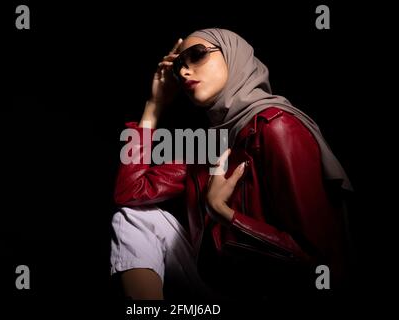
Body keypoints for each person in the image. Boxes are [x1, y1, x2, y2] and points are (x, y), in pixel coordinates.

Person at [110, 28, 353, 301]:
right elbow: (129, 190)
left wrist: (224, 214)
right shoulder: (210, 141)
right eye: (179, 66)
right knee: (136, 216)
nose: (184, 72)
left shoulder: (277, 128)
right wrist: (153, 107)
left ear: (233, 56)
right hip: (218, 284)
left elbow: (321, 263)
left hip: (277, 290)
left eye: (197, 55)